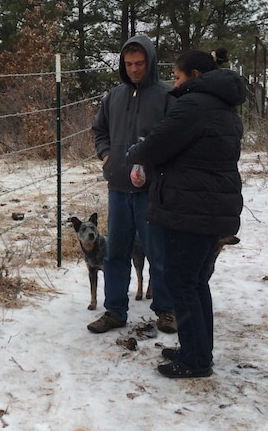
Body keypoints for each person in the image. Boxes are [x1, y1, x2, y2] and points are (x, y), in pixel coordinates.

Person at [127, 48, 245, 378]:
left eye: (177, 77)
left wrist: (136, 151)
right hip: (213, 206)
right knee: (195, 282)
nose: (174, 83)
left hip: (191, 208)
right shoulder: (224, 108)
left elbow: (154, 147)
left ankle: (195, 361)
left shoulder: (194, 106)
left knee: (182, 281)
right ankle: (197, 350)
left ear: (193, 76)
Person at [88, 35, 176, 334]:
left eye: (139, 63)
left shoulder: (167, 96)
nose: (134, 69)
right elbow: (99, 130)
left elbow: (176, 139)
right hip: (118, 188)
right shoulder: (113, 97)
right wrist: (106, 155)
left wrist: (157, 167)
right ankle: (114, 310)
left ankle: (166, 310)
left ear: (149, 62)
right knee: (115, 253)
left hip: (151, 191)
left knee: (158, 252)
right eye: (128, 64)